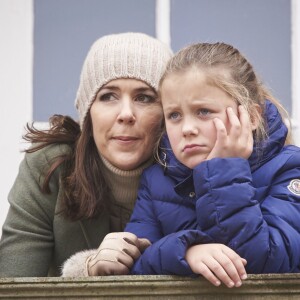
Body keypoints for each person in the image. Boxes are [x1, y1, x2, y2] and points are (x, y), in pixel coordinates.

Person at [62, 42, 300, 287]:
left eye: (204, 111)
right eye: (174, 115)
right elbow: (133, 265)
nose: (187, 129)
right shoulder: (157, 180)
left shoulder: (289, 169)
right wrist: (186, 252)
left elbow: (268, 262)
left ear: (250, 117)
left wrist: (224, 167)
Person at [0, 32, 173, 277]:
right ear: (88, 113)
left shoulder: (194, 171)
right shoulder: (49, 168)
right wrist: (85, 270)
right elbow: (12, 286)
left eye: (144, 97)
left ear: (168, 113)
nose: (126, 113)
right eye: (108, 96)